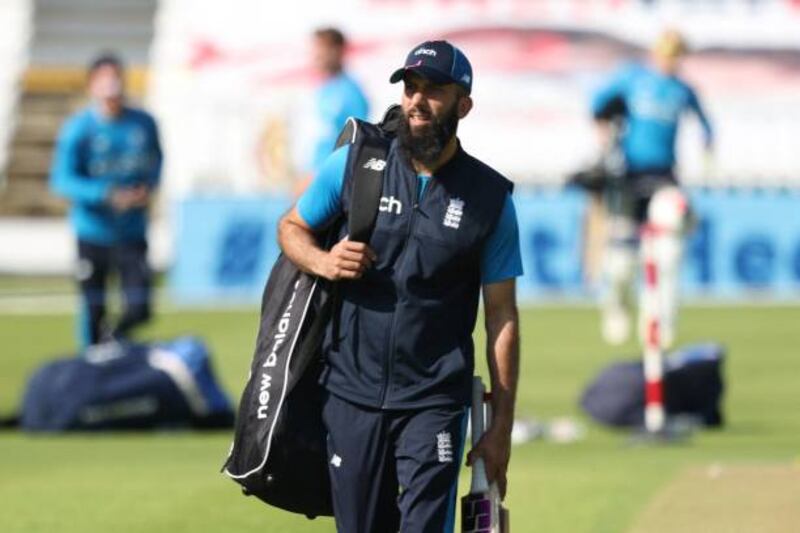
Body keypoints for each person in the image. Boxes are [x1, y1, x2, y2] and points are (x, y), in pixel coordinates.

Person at [278, 40, 522, 532]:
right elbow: (291, 228)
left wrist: (501, 428)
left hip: (435, 399)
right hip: (349, 393)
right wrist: (325, 261)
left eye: (434, 91)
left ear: (464, 105)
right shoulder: (357, 164)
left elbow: (501, 315)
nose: (417, 101)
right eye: (411, 88)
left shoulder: (489, 199)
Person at [590, 29, 714, 347]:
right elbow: (598, 105)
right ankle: (616, 306)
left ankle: (660, 320)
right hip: (628, 175)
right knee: (621, 256)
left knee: (669, 254)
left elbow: (706, 127)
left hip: (664, 177)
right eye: (666, 52)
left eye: (677, 54)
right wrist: (603, 133)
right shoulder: (633, 79)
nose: (671, 60)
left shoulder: (683, 90)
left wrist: (708, 157)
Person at [50, 53, 163, 348]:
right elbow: (61, 179)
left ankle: (113, 340)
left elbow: (156, 161)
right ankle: (93, 365)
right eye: (104, 80)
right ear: (92, 86)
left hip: (132, 232)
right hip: (93, 232)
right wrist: (105, 195)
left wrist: (146, 189)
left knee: (140, 306)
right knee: (93, 308)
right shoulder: (79, 129)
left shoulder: (144, 123)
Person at [294, 27, 369, 193]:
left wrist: (322, 176)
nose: (316, 55)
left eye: (322, 49)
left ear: (338, 51)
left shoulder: (350, 92)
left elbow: (355, 143)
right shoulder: (321, 89)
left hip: (329, 182)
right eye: (315, 49)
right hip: (310, 178)